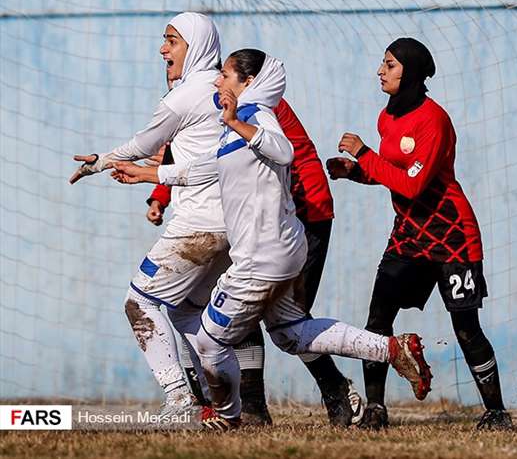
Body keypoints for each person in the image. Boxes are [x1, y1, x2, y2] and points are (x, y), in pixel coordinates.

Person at [113, 49, 432, 431]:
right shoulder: (238, 119)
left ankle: (229, 417)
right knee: (289, 332)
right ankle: (393, 349)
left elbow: (283, 150)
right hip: (279, 246)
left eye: (226, 75)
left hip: (265, 252)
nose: (217, 80)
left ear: (247, 83)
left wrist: (234, 120)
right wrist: (149, 176)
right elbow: (207, 167)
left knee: (211, 340)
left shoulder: (256, 112)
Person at [325, 37, 512, 431]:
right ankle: (375, 410)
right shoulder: (386, 118)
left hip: (452, 236)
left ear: (409, 71)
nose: (381, 70)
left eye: (390, 64)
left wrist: (363, 155)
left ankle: (496, 412)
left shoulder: (434, 120)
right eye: (382, 63)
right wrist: (355, 172)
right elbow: (392, 173)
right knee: (377, 319)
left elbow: (414, 185)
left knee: (465, 326)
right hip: (408, 235)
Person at [145, 98, 363, 426]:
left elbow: (273, 156)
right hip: (254, 221)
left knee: (287, 320)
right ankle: (253, 408)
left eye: (172, 43)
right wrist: (160, 197)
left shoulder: (253, 104)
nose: (165, 53)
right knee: (242, 308)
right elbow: (193, 157)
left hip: (300, 215)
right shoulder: (205, 101)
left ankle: (336, 389)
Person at [69, 13, 233, 418]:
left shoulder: (184, 95)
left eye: (172, 41)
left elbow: (145, 143)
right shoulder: (227, 88)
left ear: (195, 45)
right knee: (186, 310)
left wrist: (101, 161)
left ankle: (179, 400)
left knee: (138, 302)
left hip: (199, 223)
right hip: (235, 220)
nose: (163, 49)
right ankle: (222, 407)